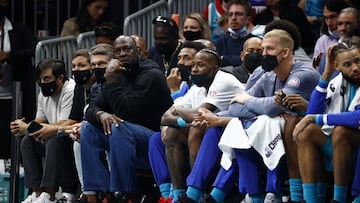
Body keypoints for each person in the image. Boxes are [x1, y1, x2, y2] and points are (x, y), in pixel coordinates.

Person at [80, 35, 173, 203]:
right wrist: (101, 114)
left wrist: (111, 81)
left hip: (155, 143)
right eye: (118, 51)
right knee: (88, 129)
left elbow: (128, 113)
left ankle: (122, 193)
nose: (122, 54)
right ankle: (96, 193)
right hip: (125, 141)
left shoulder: (152, 75)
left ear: (138, 52)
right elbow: (91, 109)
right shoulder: (117, 75)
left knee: (118, 126)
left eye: (127, 49)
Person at [175, 36, 263, 203]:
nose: (256, 55)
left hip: (258, 125)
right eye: (251, 51)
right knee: (219, 130)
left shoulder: (271, 74)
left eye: (260, 51)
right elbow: (238, 108)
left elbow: (261, 108)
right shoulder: (242, 73)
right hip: (237, 122)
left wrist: (217, 119)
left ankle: (212, 197)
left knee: (236, 135)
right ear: (242, 55)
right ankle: (193, 195)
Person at [163, 48, 245, 202]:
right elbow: (164, 118)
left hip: (237, 128)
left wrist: (179, 110)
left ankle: (195, 194)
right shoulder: (197, 88)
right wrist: (182, 120)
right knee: (170, 134)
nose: (194, 69)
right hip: (217, 128)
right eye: (193, 65)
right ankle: (177, 195)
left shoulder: (223, 80)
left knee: (199, 128)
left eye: (200, 65)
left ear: (214, 69)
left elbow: (197, 114)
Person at [293, 42, 360, 203]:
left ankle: (339, 199)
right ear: (337, 66)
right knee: (307, 132)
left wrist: (314, 118)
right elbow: (312, 113)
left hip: (354, 144)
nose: (355, 68)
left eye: (358, 61)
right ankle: (310, 199)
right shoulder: (336, 82)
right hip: (340, 144)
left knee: (340, 131)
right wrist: (326, 74)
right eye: (347, 64)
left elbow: (357, 118)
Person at [10, 58, 77, 203]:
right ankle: (37, 193)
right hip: (54, 138)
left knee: (53, 138)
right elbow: (40, 120)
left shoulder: (70, 89)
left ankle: (50, 194)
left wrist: (28, 128)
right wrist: (21, 126)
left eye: (47, 78)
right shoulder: (43, 94)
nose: (42, 83)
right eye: (40, 79)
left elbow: (65, 122)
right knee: (27, 141)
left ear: (60, 78)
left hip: (69, 138)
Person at [148, 41, 207, 203]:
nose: (181, 63)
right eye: (179, 58)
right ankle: (168, 194)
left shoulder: (203, 85)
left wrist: (173, 93)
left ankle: (191, 193)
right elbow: (165, 118)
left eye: (187, 58)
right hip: (187, 128)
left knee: (172, 132)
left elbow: (200, 115)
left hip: (204, 131)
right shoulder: (184, 86)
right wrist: (176, 122)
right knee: (155, 139)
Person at [0, 0, 38, 159]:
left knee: (8, 135)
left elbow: (34, 48)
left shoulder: (18, 29)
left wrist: (8, 56)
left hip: (13, 92)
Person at [215, 0, 255, 67]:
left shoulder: (254, 41)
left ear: (248, 18)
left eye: (239, 14)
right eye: (230, 14)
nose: (233, 18)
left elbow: (251, 64)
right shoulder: (221, 41)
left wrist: (225, 59)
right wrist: (239, 59)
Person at [313, 0, 349, 68]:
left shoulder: (356, 40)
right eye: (326, 18)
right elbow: (316, 70)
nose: (329, 23)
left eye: (332, 17)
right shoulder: (321, 42)